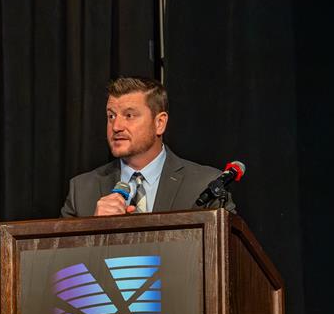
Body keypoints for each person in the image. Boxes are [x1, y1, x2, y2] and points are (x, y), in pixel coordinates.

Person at [61, 77, 235, 217]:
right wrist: (92, 229)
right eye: (111, 116)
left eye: (129, 115)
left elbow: (227, 254)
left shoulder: (205, 186)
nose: (116, 126)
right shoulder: (82, 190)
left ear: (159, 123)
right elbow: (64, 261)